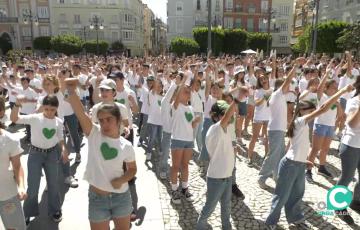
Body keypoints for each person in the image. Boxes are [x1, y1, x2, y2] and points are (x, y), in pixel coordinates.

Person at [265, 84, 353, 230]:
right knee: (281, 195)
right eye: (310, 109)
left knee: (298, 194)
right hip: (290, 165)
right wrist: (342, 91)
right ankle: (270, 222)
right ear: (302, 111)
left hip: (297, 164)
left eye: (313, 109)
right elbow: (323, 108)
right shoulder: (300, 121)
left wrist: (304, 160)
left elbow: (293, 146)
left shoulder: (300, 124)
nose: (313, 112)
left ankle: (295, 218)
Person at [65, 78, 137, 230]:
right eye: (101, 120)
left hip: (121, 198)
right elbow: (80, 113)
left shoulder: (127, 145)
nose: (104, 124)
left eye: (108, 119)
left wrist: (121, 179)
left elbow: (132, 170)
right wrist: (71, 91)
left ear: (118, 121)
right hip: (98, 200)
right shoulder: (94, 133)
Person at [10, 95, 68, 225]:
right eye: (46, 109)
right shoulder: (35, 118)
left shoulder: (58, 121)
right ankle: (28, 212)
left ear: (56, 109)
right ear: (43, 107)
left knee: (53, 183)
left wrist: (63, 148)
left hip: (52, 153)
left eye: (52, 110)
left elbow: (60, 136)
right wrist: (17, 105)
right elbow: (14, 118)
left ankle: (55, 210)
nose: (49, 112)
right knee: (33, 185)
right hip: (35, 153)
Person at [196, 95, 246, 229]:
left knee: (226, 206)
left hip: (227, 176)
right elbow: (228, 115)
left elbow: (227, 145)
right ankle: (200, 226)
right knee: (209, 207)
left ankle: (226, 227)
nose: (229, 117)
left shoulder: (225, 130)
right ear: (216, 116)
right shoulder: (215, 129)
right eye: (224, 114)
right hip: (216, 178)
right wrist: (236, 100)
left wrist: (235, 148)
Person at [258, 59, 301, 188]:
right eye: (286, 86)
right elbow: (287, 80)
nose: (289, 87)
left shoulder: (280, 96)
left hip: (279, 129)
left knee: (280, 155)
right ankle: (262, 177)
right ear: (281, 87)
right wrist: (294, 67)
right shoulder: (277, 94)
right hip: (275, 130)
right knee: (273, 155)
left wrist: (288, 124)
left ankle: (276, 176)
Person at [170, 74, 201, 204]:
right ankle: (174, 190)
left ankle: (184, 188)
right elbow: (178, 94)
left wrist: (196, 122)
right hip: (177, 139)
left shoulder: (191, 108)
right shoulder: (175, 105)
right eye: (185, 92)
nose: (188, 94)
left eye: (189, 93)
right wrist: (183, 80)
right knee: (176, 166)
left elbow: (191, 124)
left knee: (185, 166)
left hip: (188, 140)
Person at [335, 75, 360, 225]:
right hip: (351, 145)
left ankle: (356, 201)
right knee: (347, 178)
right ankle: (338, 206)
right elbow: (351, 123)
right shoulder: (354, 101)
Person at [0, 119, 27, 230]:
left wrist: (21, 186)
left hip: (7, 194)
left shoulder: (10, 139)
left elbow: (17, 166)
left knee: (14, 227)